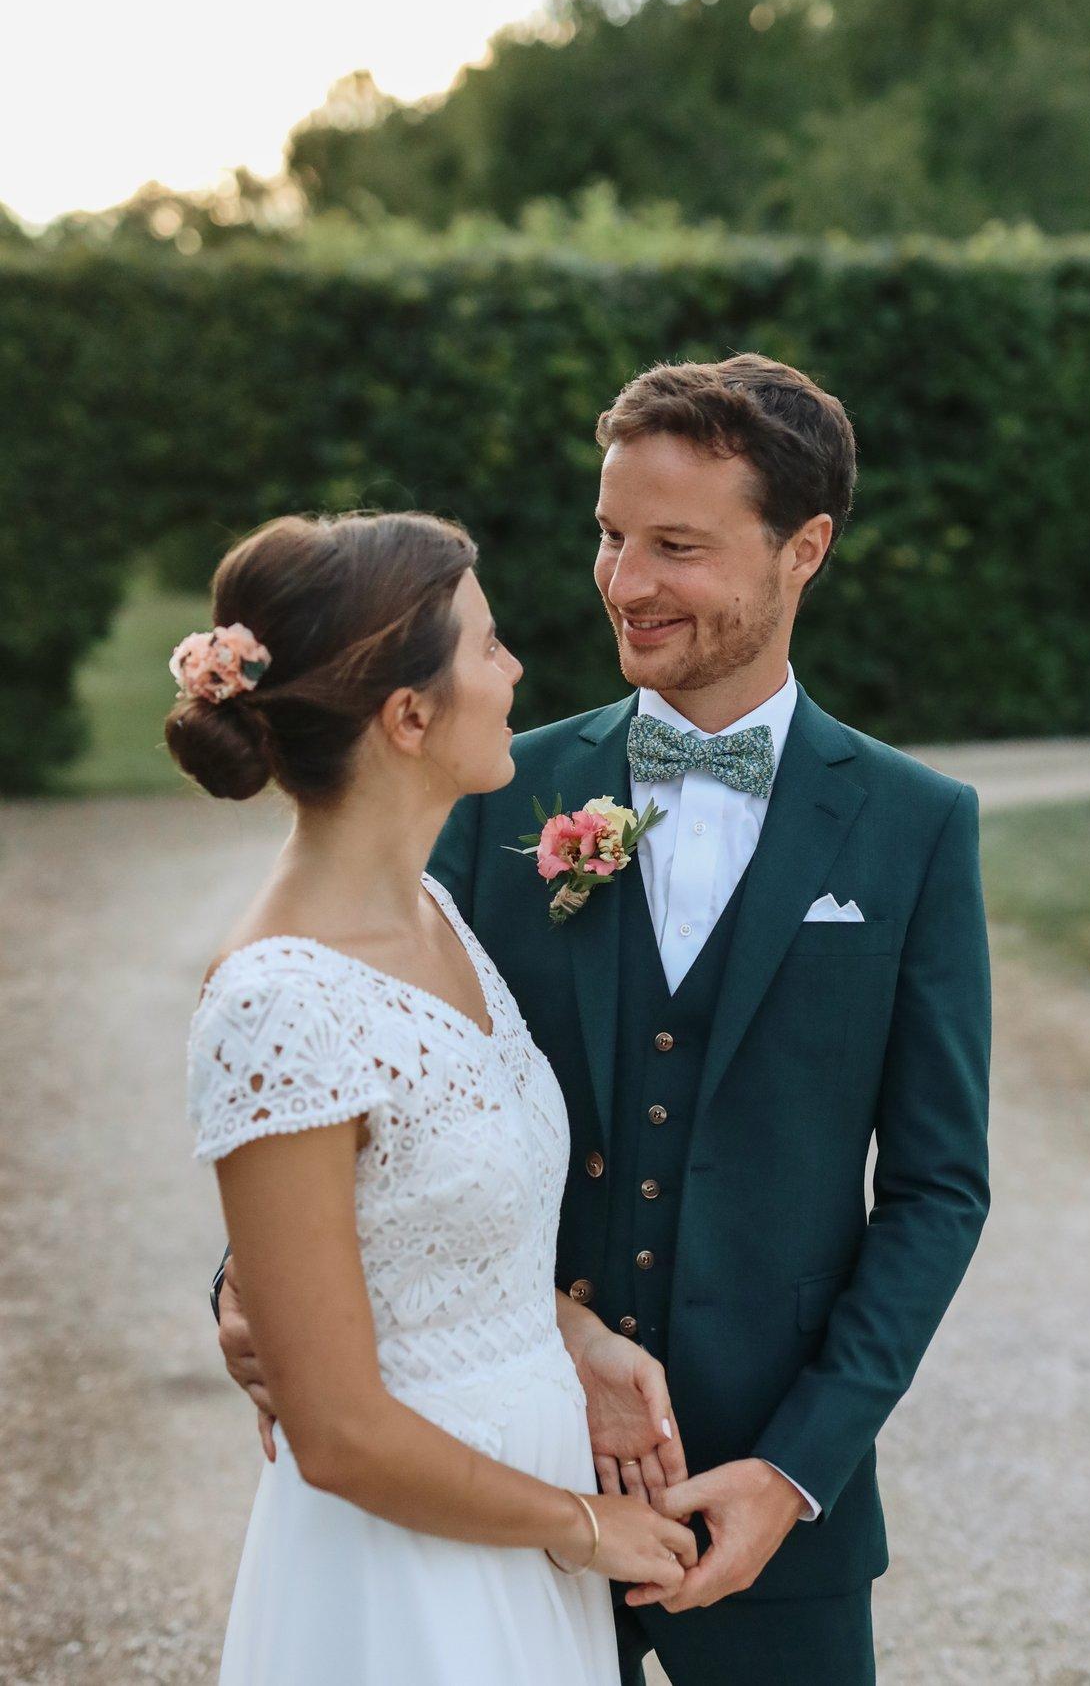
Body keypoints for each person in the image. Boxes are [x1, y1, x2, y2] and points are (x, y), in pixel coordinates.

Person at [216, 356, 992, 1685]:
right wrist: (246, 1289)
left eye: (675, 546)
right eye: (608, 535)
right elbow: (338, 1075)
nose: (624, 583)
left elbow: (935, 1185)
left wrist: (798, 1465)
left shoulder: (914, 828)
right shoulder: (485, 789)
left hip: (764, 1510)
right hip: (488, 1484)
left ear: (802, 547)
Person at [170, 510, 697, 1685]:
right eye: (487, 647)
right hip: (403, 1574)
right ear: (408, 715)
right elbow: (339, 1431)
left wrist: (572, 1335)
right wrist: (584, 1528)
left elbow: (426, 1229)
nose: (514, 674)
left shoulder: (436, 915)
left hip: (516, 1524)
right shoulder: (278, 998)